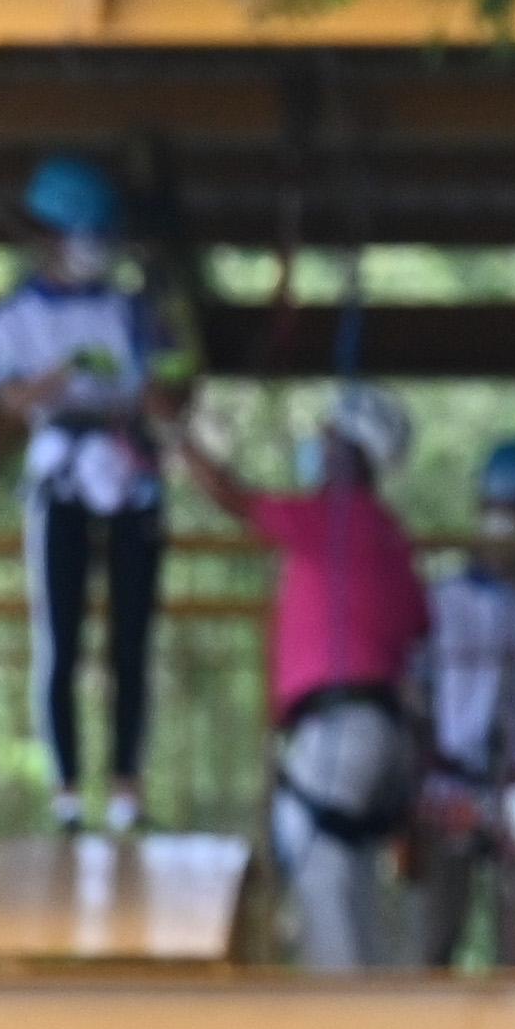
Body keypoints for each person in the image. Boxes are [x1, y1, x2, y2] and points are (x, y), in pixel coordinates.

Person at [178, 382, 431, 969]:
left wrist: (175, 434)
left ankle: (342, 1026)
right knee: (350, 875)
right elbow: (417, 624)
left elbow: (233, 498)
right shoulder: (385, 532)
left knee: (320, 868)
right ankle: (372, 1013)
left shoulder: (333, 519)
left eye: (330, 438)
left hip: (342, 726)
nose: (318, 445)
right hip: (377, 729)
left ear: (354, 454)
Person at [0, 154, 184, 833]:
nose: (94, 250)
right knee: (60, 639)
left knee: (132, 638)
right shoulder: (15, 316)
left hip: (128, 468)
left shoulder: (134, 309)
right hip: (61, 470)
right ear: (49, 235)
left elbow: (168, 383)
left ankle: (127, 783)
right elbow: (8, 396)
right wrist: (64, 376)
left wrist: (153, 386)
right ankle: (66, 788)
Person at [411, 438, 515, 967]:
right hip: (454, 773)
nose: (509, 529)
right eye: (500, 512)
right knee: (437, 925)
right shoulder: (444, 599)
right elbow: (419, 689)